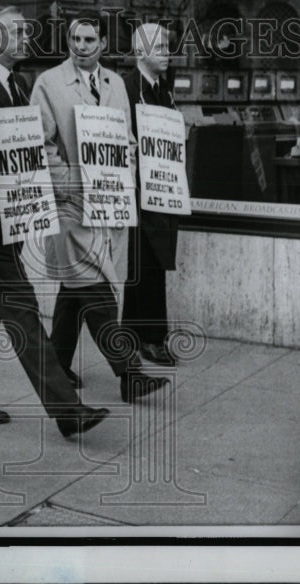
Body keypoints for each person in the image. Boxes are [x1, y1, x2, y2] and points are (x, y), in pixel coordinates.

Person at [0, 3, 109, 438]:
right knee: (22, 310)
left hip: (12, 215)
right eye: (17, 31)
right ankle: (67, 410)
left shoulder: (17, 83)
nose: (27, 36)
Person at [30, 16, 169, 402]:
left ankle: (53, 364)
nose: (81, 45)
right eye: (75, 38)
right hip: (72, 205)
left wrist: (129, 168)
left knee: (74, 289)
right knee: (95, 288)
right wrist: (70, 184)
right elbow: (42, 146)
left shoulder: (115, 83)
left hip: (110, 200)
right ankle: (129, 372)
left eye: (90, 39)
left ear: (103, 43)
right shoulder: (48, 83)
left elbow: (126, 138)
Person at [122, 24, 179, 366]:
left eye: (168, 46)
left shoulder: (164, 90)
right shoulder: (128, 88)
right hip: (139, 188)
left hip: (161, 189)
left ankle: (150, 335)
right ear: (141, 52)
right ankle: (145, 337)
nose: (167, 52)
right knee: (141, 263)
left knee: (155, 262)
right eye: (159, 47)